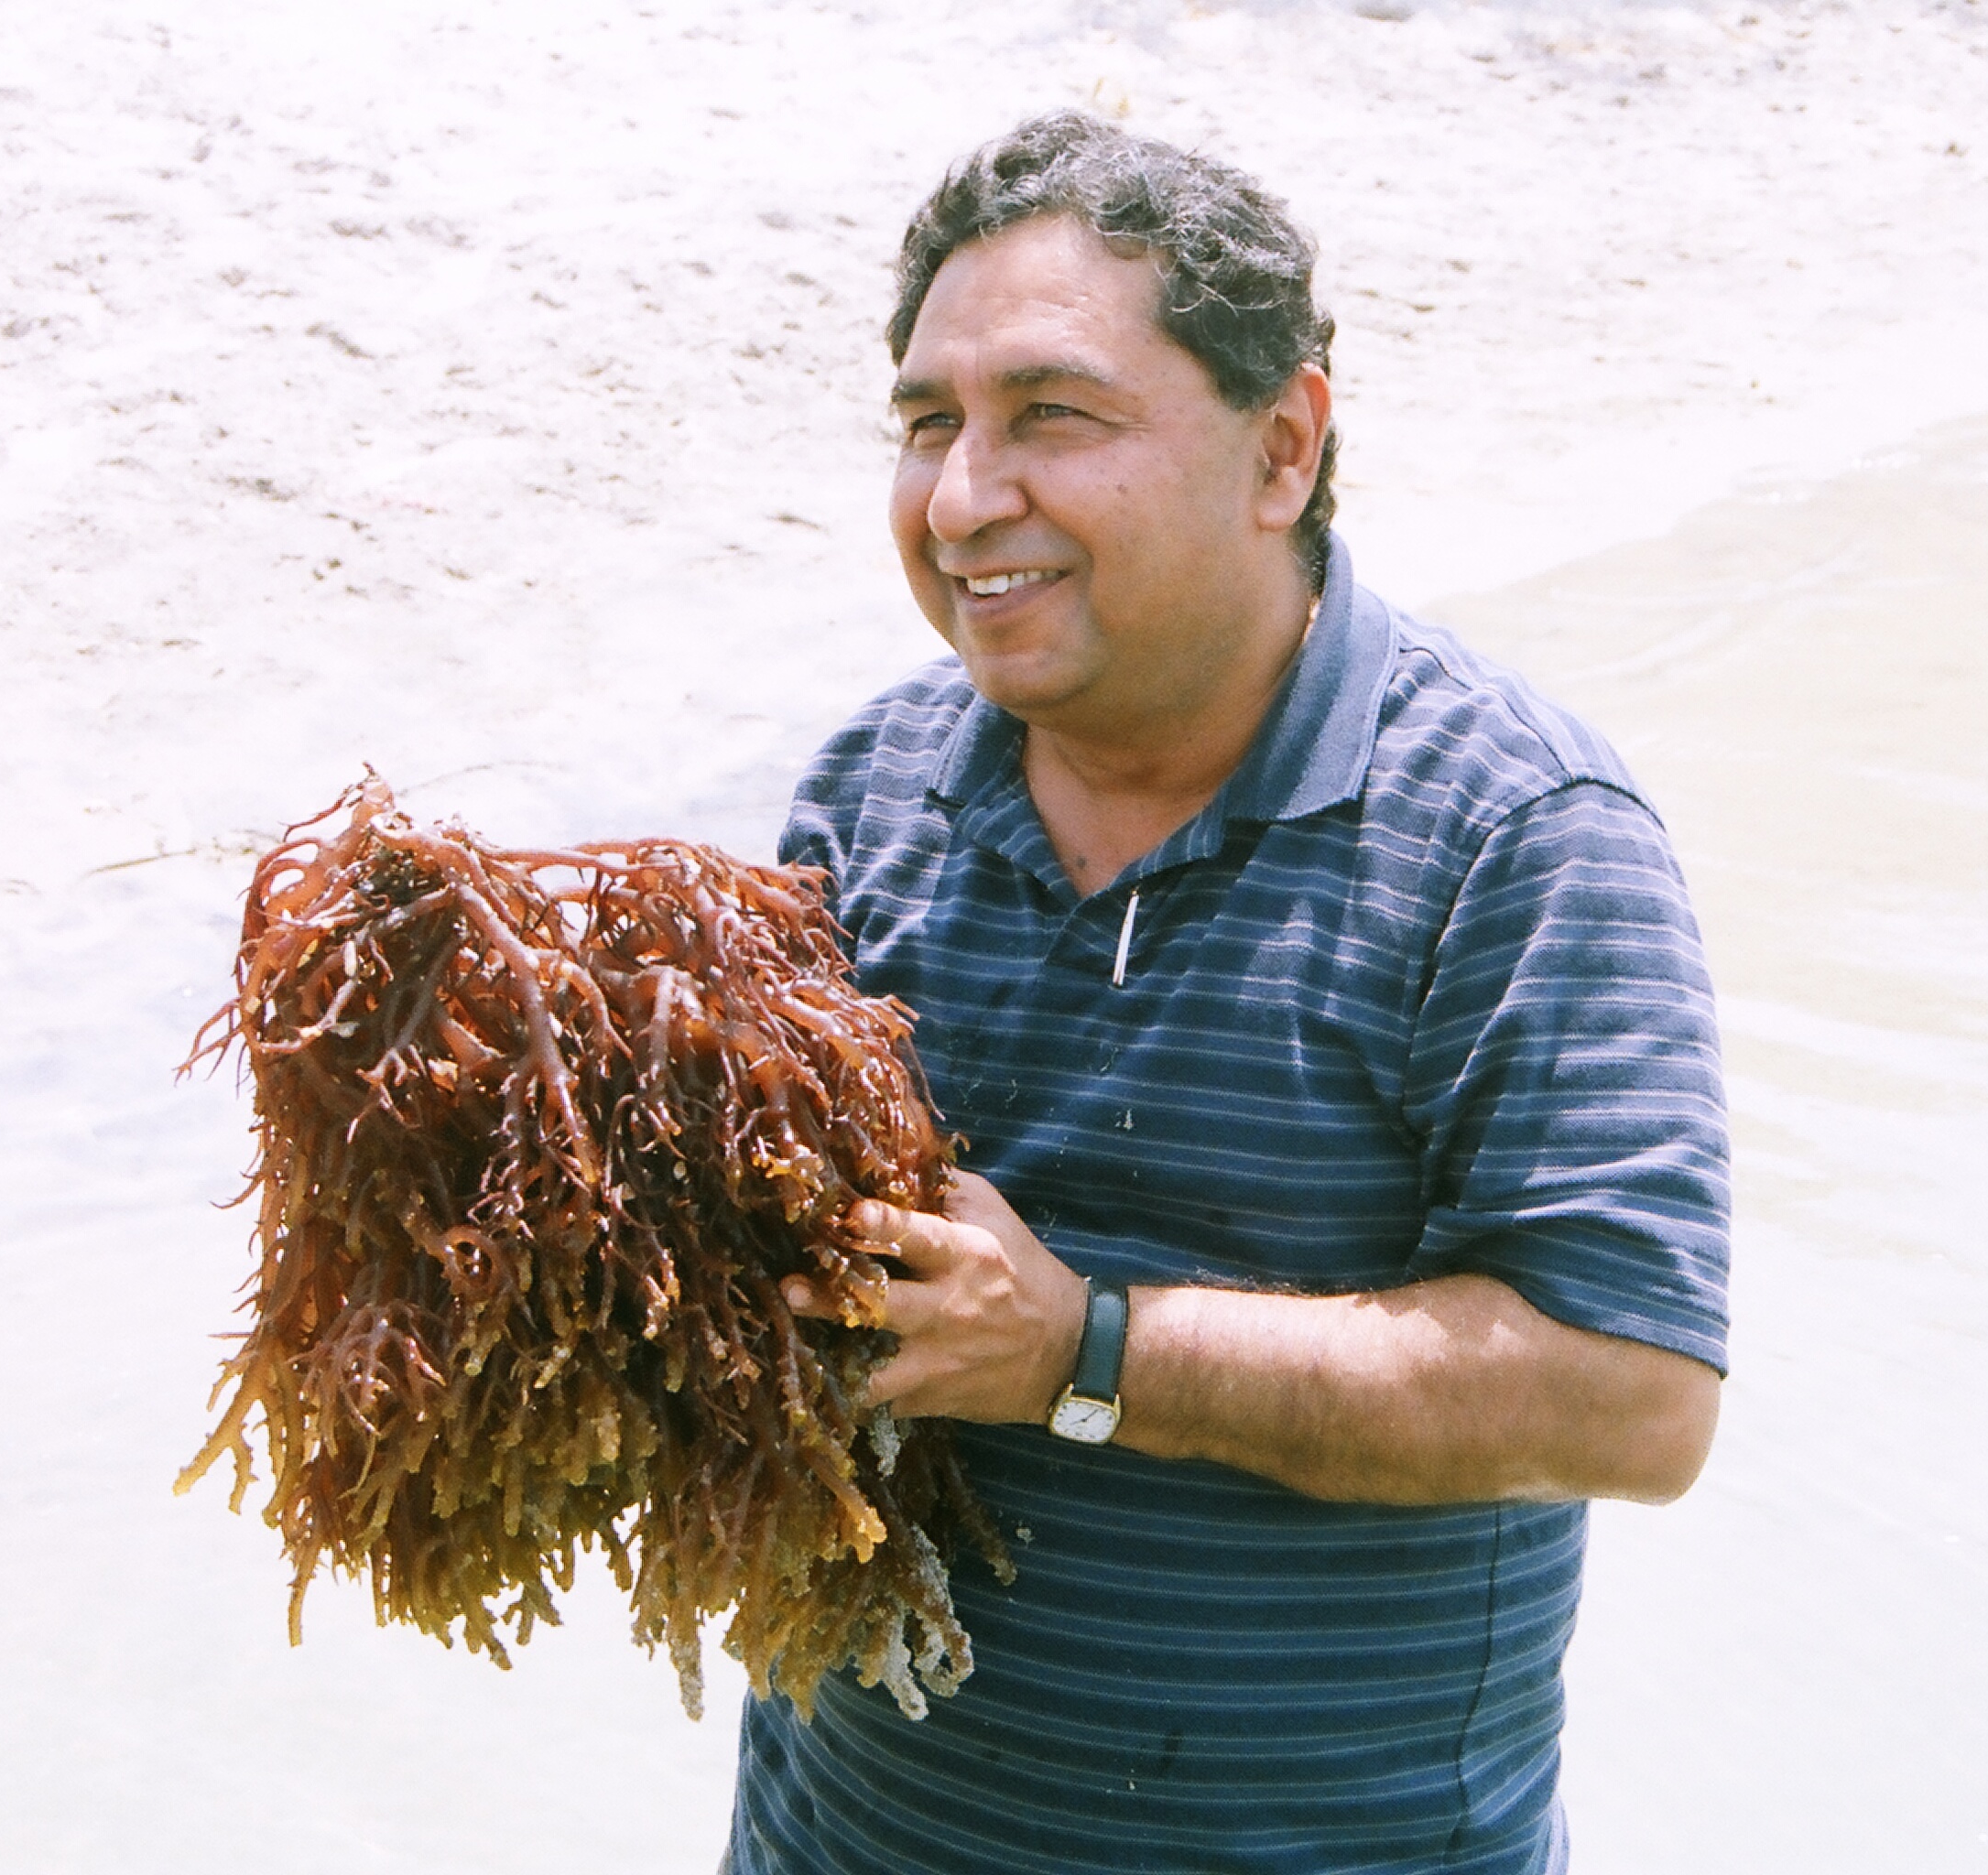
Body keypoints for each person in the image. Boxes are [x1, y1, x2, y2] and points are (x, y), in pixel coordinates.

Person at [727, 111, 1730, 1875]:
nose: (965, 499)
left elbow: (1634, 1400)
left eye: (1053, 415)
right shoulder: (870, 793)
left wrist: (1083, 1353)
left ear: (1283, 447)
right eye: (926, 425)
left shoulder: (1518, 838)